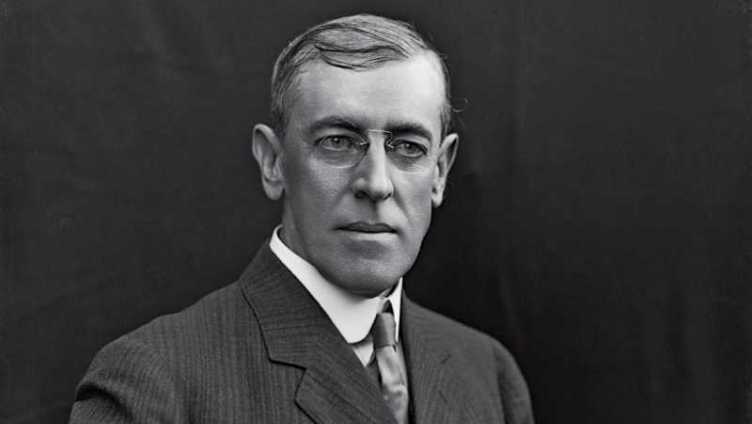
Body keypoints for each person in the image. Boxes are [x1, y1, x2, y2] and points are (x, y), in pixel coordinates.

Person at [69, 13, 534, 424]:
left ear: (440, 172)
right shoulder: (154, 379)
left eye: (408, 147)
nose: (376, 183)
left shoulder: (489, 375)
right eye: (338, 141)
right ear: (273, 162)